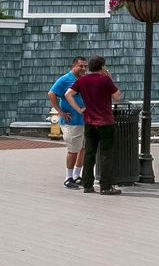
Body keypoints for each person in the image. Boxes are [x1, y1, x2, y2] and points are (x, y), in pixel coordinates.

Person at [69, 57, 124, 193]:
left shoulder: (82, 80)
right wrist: (109, 78)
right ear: (102, 66)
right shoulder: (105, 79)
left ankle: (87, 184)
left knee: (89, 153)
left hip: (89, 121)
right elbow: (118, 97)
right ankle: (106, 186)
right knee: (106, 154)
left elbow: (68, 94)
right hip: (105, 122)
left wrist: (79, 109)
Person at [48, 56, 89, 188]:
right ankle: (68, 177)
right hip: (71, 122)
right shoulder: (65, 79)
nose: (83, 68)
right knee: (73, 150)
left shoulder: (83, 79)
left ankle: (77, 175)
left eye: (85, 66)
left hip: (83, 120)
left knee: (83, 148)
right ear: (73, 66)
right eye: (81, 66)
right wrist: (60, 112)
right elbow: (51, 93)